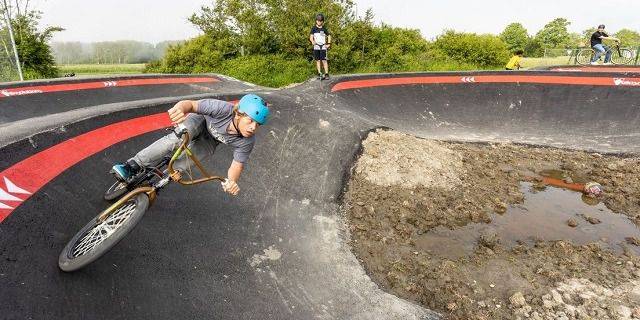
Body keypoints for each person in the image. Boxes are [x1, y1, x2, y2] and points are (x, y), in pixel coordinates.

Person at [111, 94, 269, 196]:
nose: (253, 128)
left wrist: (231, 182)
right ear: (238, 114)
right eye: (250, 121)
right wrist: (179, 109)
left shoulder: (247, 141)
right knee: (177, 139)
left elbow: (237, 165)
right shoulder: (221, 109)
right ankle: (132, 165)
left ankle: (161, 181)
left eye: (258, 125)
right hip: (199, 121)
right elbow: (190, 104)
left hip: (211, 141)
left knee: (189, 162)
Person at [310, 13, 331, 80]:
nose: (319, 22)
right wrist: (312, 41)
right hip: (316, 46)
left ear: (322, 21)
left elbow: (329, 36)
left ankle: (326, 74)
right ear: (316, 20)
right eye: (318, 20)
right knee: (318, 60)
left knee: (324, 60)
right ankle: (319, 74)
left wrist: (329, 44)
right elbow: (311, 37)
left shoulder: (324, 29)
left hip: (323, 46)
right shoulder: (314, 28)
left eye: (320, 21)